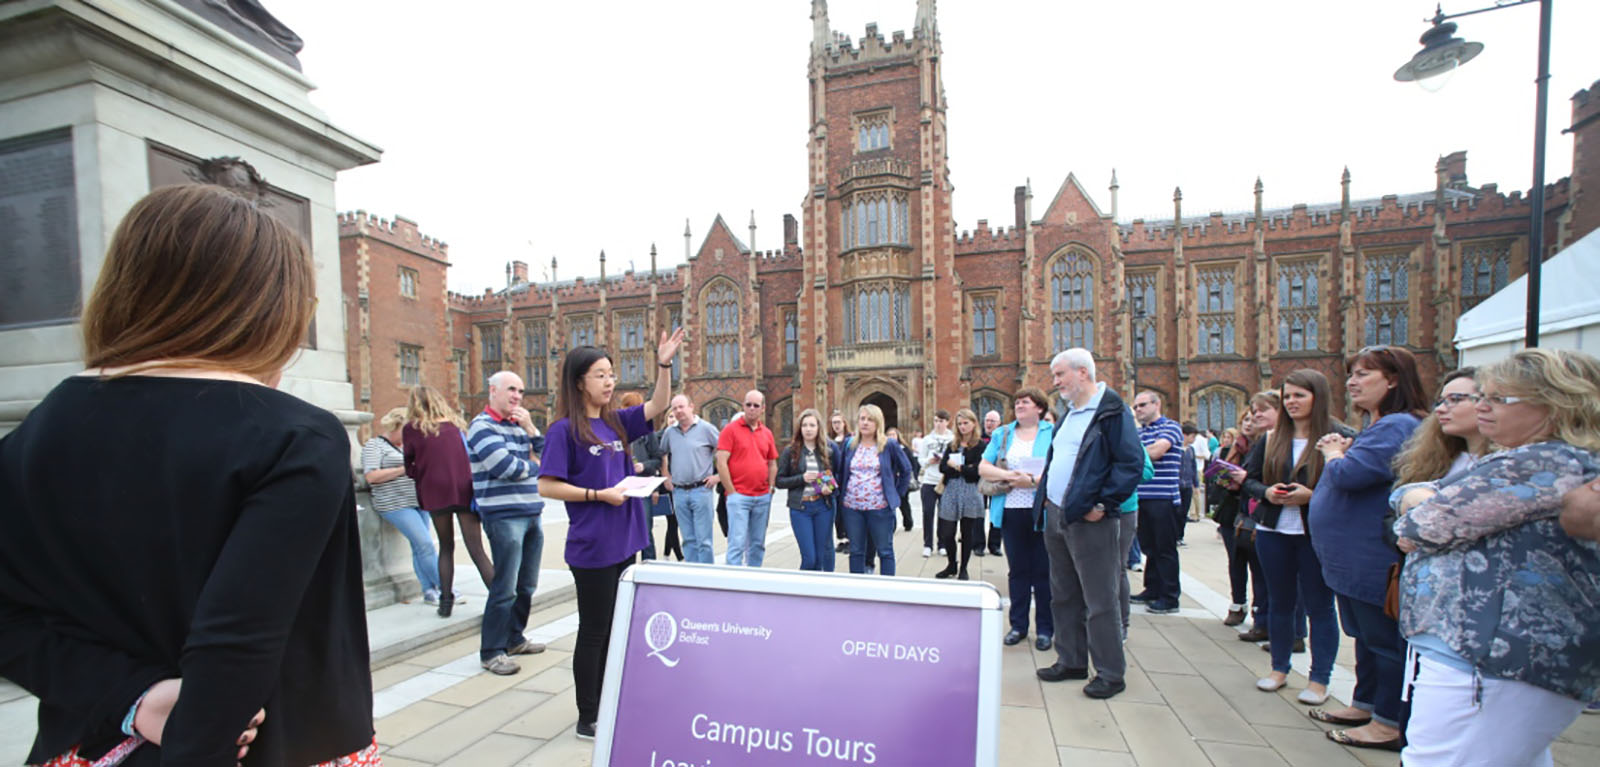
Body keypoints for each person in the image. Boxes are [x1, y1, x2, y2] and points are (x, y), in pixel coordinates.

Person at [0, 184, 374, 766]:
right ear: (271, 307)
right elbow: (233, 651)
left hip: (82, 747)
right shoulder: (295, 438)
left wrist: (132, 696)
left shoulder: (30, 436)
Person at [1392, 348, 1600, 765]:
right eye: (1482, 395)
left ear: (1557, 405)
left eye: (1500, 399)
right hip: (1503, 659)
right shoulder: (1532, 461)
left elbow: (1421, 526)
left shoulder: (1540, 461)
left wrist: (1416, 498)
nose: (1482, 406)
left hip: (1490, 661)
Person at [536, 328, 685, 740]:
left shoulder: (617, 422)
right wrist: (597, 494)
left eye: (611, 373)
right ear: (579, 381)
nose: (609, 381)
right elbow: (546, 485)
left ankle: (611, 698)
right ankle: (589, 716)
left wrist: (664, 364)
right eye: (600, 374)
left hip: (626, 538)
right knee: (595, 630)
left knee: (619, 627)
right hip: (593, 545)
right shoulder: (563, 431)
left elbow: (657, 403)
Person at [1308, 345, 1426, 748]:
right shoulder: (1380, 426)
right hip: (1350, 559)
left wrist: (1334, 452)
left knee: (1382, 640)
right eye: (1352, 374)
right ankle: (1366, 702)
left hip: (1370, 558)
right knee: (1365, 636)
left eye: (1364, 374)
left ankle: (1388, 721)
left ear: (1393, 380)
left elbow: (1351, 475)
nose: (1353, 382)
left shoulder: (1397, 425)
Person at [1032, 350, 1145, 699]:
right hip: (1057, 514)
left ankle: (1111, 673)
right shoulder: (1070, 413)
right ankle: (1072, 660)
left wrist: (1102, 504)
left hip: (1089, 518)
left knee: (1100, 599)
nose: (1055, 383)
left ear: (1083, 373)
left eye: (1060, 375)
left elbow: (1131, 463)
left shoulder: (1112, 411)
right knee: (1063, 594)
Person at [1233, 370, 1347, 707]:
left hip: (1315, 535)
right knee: (1280, 603)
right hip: (1274, 531)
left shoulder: (1339, 438)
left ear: (1318, 397)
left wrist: (1313, 496)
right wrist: (1267, 491)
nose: (1292, 402)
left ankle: (1319, 679)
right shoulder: (1271, 438)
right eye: (1288, 396)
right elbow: (1249, 482)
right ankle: (1279, 668)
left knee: (1320, 607)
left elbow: (1348, 485)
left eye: (1300, 395)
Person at [466, 370, 550, 675]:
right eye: (511, 390)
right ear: (493, 391)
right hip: (504, 516)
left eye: (521, 391)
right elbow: (505, 467)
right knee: (505, 587)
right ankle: (491, 651)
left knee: (527, 584)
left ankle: (514, 638)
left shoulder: (518, 427)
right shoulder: (481, 427)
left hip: (530, 512)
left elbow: (549, 457)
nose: (516, 396)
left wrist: (530, 427)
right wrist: (536, 466)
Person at [405, 384, 491, 618]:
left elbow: (408, 465)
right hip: (463, 489)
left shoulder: (412, 429)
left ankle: (445, 602)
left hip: (435, 491)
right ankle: (499, 599)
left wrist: (423, 474)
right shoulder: (456, 426)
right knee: (476, 549)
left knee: (446, 547)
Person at [979, 389, 1056, 650]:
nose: (1019, 405)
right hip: (1011, 509)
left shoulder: (1052, 433)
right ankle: (1018, 625)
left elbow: (1060, 468)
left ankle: (1045, 628)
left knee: (1043, 572)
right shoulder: (1003, 433)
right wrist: (1013, 478)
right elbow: (984, 468)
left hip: (1042, 510)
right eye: (1018, 401)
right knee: (1018, 570)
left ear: (1040, 408)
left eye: (1026, 402)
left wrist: (1034, 481)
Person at [363, 408, 444, 605]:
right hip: (394, 503)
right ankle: (446, 587)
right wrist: (404, 468)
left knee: (420, 547)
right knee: (425, 544)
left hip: (418, 501)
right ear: (395, 426)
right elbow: (372, 476)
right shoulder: (375, 445)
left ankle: (429, 591)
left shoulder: (409, 445)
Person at [835, 404, 914, 575]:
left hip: (880, 508)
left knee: (885, 551)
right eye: (862, 419)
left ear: (878, 423)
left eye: (870, 419)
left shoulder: (889, 445)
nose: (865, 423)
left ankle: (887, 593)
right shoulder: (850, 444)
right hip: (852, 508)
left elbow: (906, 470)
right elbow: (841, 471)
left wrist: (896, 495)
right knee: (856, 551)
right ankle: (858, 592)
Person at [1130, 391, 1185, 614]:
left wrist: (1132, 453)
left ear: (1157, 404)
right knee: (1149, 547)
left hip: (1163, 497)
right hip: (1142, 496)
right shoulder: (1139, 433)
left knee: (1165, 549)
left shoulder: (1170, 427)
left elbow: (1157, 452)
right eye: (1135, 407)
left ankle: (1170, 596)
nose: (1138, 410)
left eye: (1142, 405)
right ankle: (1152, 588)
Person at [715, 390, 780, 567]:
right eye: (748, 404)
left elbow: (772, 463)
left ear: (763, 409)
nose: (751, 408)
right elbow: (721, 462)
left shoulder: (767, 433)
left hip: (762, 497)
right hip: (739, 497)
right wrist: (732, 492)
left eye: (756, 405)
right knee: (736, 543)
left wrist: (771, 488)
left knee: (758, 544)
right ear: (743, 406)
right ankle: (734, 585)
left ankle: (754, 578)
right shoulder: (730, 430)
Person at [661, 394, 721, 564]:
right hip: (679, 491)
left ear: (691, 406)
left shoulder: (706, 429)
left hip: (701, 490)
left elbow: (725, 453)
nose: (678, 411)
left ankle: (707, 578)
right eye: (674, 408)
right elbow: (662, 453)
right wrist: (666, 476)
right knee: (688, 540)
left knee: (704, 541)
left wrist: (718, 477)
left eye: (681, 407)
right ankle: (691, 576)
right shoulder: (670, 432)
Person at [775, 408, 838, 571]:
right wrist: (801, 478)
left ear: (819, 428)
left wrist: (828, 488)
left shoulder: (827, 451)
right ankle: (801, 592)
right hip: (800, 508)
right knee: (809, 558)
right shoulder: (791, 452)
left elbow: (836, 477)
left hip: (823, 507)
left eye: (812, 425)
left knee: (821, 556)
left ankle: (817, 594)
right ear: (799, 428)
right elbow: (779, 481)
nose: (808, 429)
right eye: (804, 425)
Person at [620, 392, 680, 562]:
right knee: (625, 532)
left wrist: (644, 466)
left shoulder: (647, 432)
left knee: (645, 531)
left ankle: (650, 566)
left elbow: (657, 458)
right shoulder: (616, 430)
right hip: (622, 488)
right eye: (626, 407)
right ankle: (627, 568)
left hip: (642, 487)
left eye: (631, 408)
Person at [935, 409, 986, 579]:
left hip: (971, 491)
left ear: (974, 424)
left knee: (967, 532)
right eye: (959, 424)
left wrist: (957, 467)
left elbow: (977, 471)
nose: (962, 427)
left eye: (966, 423)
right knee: (947, 532)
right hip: (951, 490)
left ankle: (963, 568)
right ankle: (951, 564)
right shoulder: (952, 445)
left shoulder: (980, 445)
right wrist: (964, 468)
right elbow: (942, 467)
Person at [917, 411, 955, 557]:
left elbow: (957, 458)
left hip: (945, 480)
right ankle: (927, 544)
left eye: (941, 421)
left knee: (944, 514)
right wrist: (929, 461)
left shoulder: (953, 439)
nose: (938, 424)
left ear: (947, 422)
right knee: (928, 512)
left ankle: (942, 544)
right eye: (936, 421)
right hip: (929, 480)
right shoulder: (927, 439)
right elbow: (920, 459)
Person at [979, 408, 1005, 557]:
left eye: (992, 421)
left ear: (999, 423)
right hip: (980, 480)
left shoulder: (1003, 437)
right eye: (987, 420)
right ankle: (978, 545)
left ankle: (995, 545)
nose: (989, 424)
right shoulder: (978, 438)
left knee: (996, 513)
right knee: (978, 514)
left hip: (998, 480)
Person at [829, 410, 854, 554]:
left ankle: (851, 540)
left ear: (844, 423)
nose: (836, 425)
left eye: (838, 422)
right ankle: (842, 540)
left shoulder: (850, 440)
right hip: (832, 481)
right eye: (834, 423)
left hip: (846, 480)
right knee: (836, 512)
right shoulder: (829, 441)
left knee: (847, 512)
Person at [1177, 421, 1200, 546]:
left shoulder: (1191, 450)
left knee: (1184, 512)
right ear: (1184, 435)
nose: (1193, 439)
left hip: (1187, 485)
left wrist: (1196, 485)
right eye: (1192, 436)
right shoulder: (1176, 448)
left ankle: (1180, 536)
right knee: (1176, 512)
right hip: (1177, 485)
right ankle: (1174, 536)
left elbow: (1193, 467)